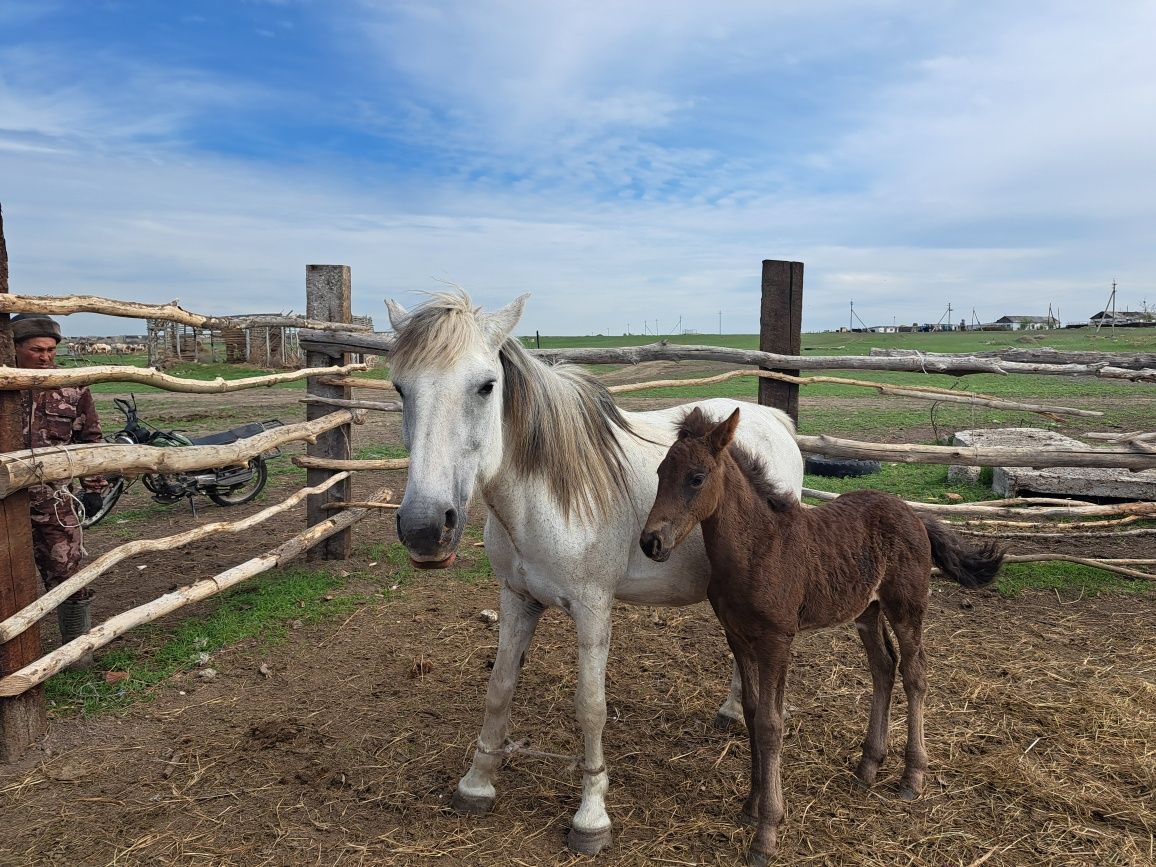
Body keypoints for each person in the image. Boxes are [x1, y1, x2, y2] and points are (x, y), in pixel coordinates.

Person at [13, 313, 106, 669]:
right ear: (15, 347)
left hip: (53, 502)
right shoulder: (5, 384)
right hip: (6, 505)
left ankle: (77, 658)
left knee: (69, 574)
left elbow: (90, 440)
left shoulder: (72, 386)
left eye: (51, 350)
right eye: (36, 350)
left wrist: (94, 487)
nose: (45, 357)